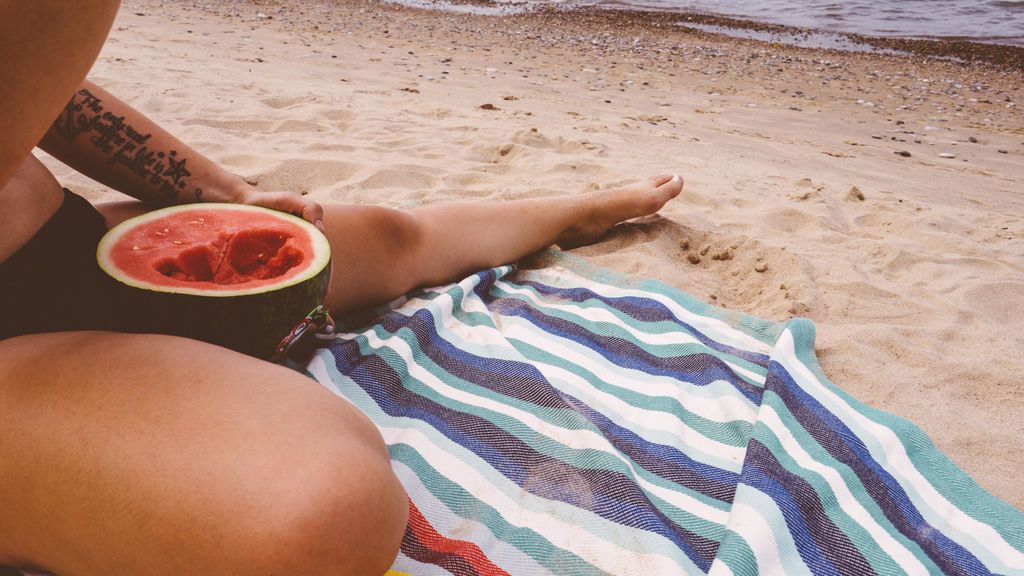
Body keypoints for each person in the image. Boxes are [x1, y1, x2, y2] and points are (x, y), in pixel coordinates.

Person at [0, 2, 683, 574]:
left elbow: (47, 91)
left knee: (393, 237)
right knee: (327, 509)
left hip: (52, 238)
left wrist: (222, 192)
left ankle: (574, 210)